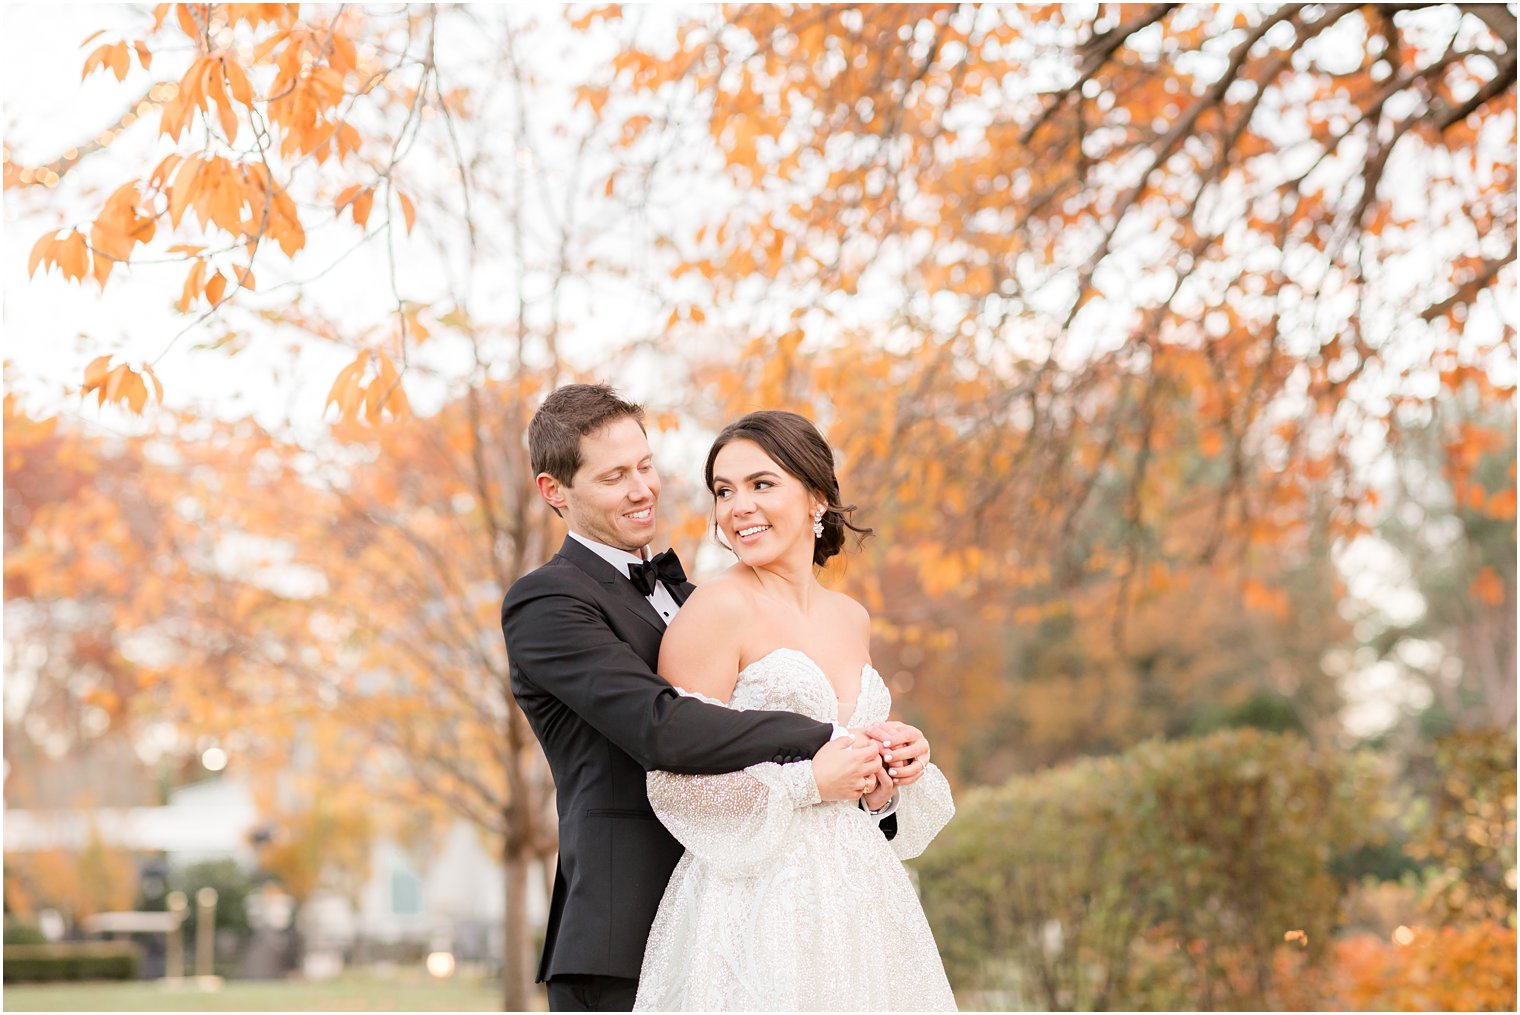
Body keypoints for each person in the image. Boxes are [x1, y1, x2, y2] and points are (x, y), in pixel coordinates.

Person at [501, 385, 934, 1012]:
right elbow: (661, 727)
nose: (642, 488)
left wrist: (879, 766)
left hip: (772, 907)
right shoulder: (548, 602)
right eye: (614, 476)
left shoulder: (694, 597)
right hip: (628, 926)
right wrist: (824, 740)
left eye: (646, 466)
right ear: (554, 492)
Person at [633, 410, 956, 1011]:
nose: (738, 507)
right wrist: (809, 782)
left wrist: (889, 771)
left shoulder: (851, 616)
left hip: (862, 904)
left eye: (761, 484)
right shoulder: (714, 611)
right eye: (724, 491)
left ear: (817, 497)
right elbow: (673, 781)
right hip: (752, 904)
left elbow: (852, 774)